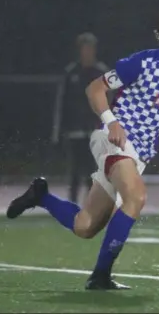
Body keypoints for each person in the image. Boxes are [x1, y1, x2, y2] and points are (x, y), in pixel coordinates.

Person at [6, 9, 159, 290]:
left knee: (84, 226)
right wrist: (111, 122)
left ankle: (41, 197)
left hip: (139, 155)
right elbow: (94, 89)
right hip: (113, 141)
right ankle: (101, 276)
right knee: (136, 197)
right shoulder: (142, 62)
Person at [51, 32, 109, 203]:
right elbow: (63, 103)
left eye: (90, 48)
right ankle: (73, 204)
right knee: (75, 170)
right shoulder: (71, 73)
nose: (87, 52)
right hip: (75, 130)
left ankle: (92, 204)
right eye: (84, 48)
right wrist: (60, 130)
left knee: (94, 170)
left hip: (96, 130)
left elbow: (110, 102)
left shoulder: (101, 72)